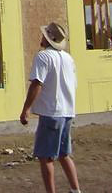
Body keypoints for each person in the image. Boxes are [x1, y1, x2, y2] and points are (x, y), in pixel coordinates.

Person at [20, 23, 81, 193]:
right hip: (67, 111)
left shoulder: (43, 57)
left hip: (51, 113)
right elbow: (73, 84)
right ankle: (76, 190)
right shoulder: (68, 58)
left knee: (46, 157)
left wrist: (26, 109)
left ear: (47, 39)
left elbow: (37, 84)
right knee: (63, 154)